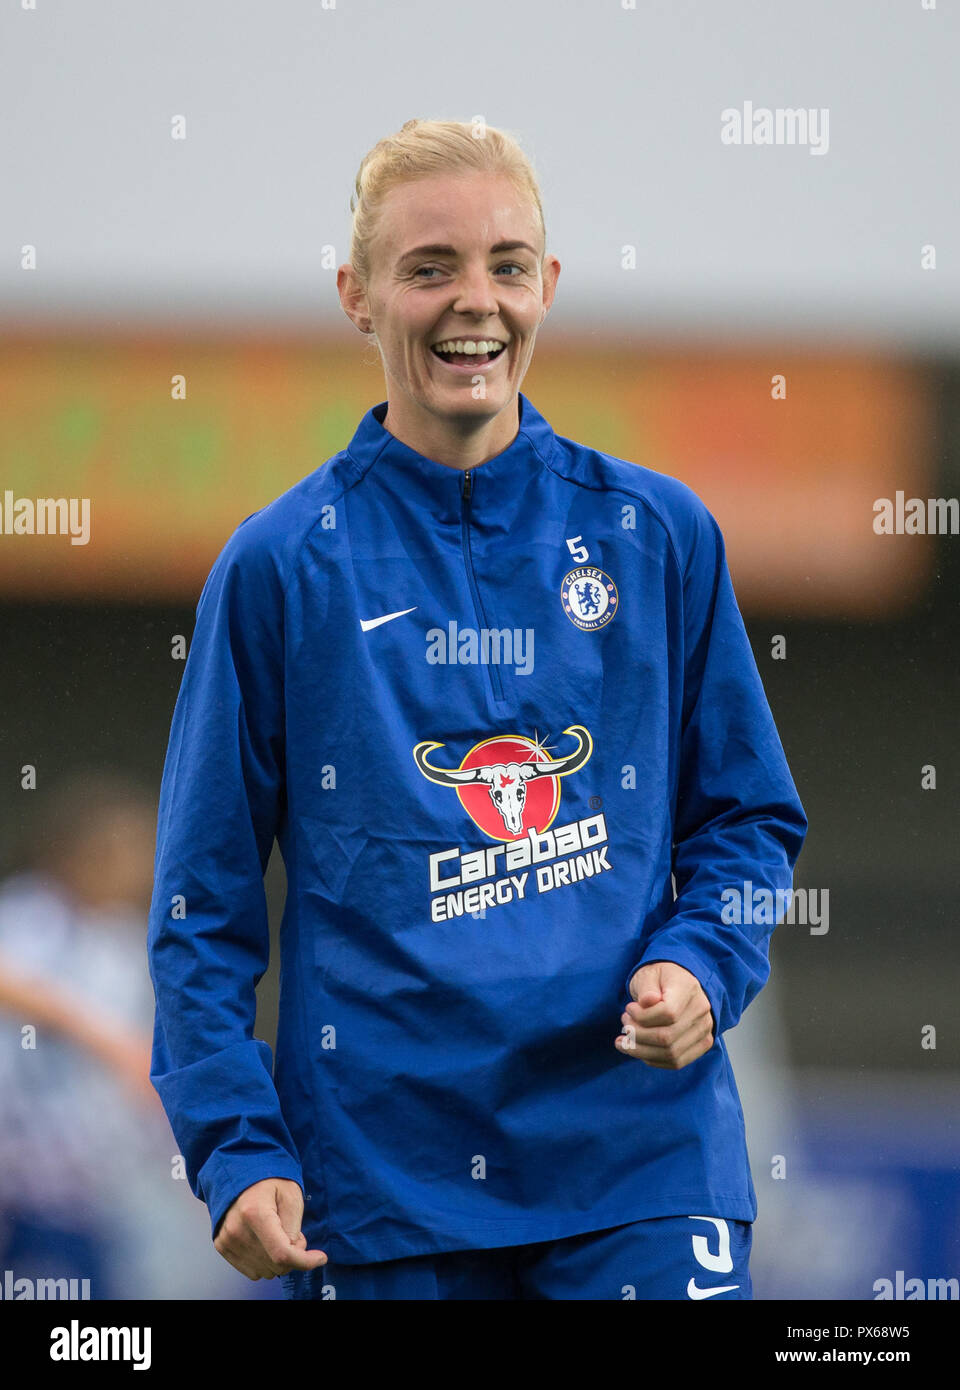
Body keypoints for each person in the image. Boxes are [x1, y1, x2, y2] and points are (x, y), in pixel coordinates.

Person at [147, 117, 807, 1300]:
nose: (476, 303)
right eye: (430, 268)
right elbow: (201, 908)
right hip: (385, 1193)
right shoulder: (281, 567)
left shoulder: (657, 535)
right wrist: (233, 1145)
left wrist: (703, 967)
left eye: (507, 264)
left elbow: (751, 823)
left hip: (639, 1170)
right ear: (356, 294)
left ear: (547, 285)